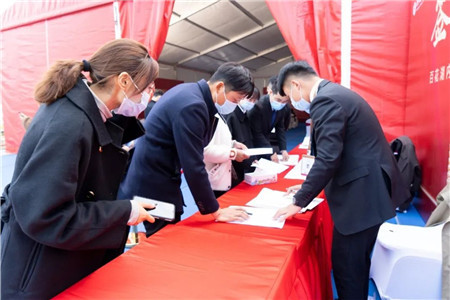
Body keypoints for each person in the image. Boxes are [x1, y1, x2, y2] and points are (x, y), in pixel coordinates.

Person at [1, 39, 159, 299]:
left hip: (54, 262)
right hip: (38, 273)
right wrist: (124, 212)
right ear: (123, 81)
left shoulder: (83, 112)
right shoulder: (71, 123)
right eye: (146, 86)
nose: (148, 95)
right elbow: (47, 216)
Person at [273, 60, 410, 299]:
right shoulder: (335, 93)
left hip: (363, 194)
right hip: (368, 188)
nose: (293, 103)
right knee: (354, 262)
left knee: (348, 265)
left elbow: (328, 158)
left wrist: (299, 200)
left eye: (288, 96)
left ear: (295, 84)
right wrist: (307, 187)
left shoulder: (325, 100)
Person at [119, 62, 254, 237]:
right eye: (235, 100)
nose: (234, 105)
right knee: (164, 238)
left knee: (168, 229)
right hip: (153, 183)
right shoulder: (193, 104)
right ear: (220, 86)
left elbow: (197, 143)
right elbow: (193, 164)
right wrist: (216, 211)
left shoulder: (191, 93)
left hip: (156, 175)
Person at [203, 113, 249, 198]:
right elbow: (204, 150)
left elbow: (219, 140)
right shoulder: (207, 116)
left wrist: (233, 144)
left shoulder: (219, 114)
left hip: (225, 175)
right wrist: (233, 153)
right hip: (213, 178)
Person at [248, 75, 291, 163]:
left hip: (266, 141)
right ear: (269, 91)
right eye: (278, 100)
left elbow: (280, 128)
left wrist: (283, 149)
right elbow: (257, 133)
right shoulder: (258, 107)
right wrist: (270, 152)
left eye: (285, 101)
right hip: (253, 143)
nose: (281, 104)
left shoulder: (283, 107)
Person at [225, 86, 260, 185]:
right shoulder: (231, 114)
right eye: (249, 99)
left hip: (244, 159)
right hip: (234, 160)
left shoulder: (245, 114)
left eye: (254, 100)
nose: (251, 103)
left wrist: (253, 158)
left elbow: (249, 138)